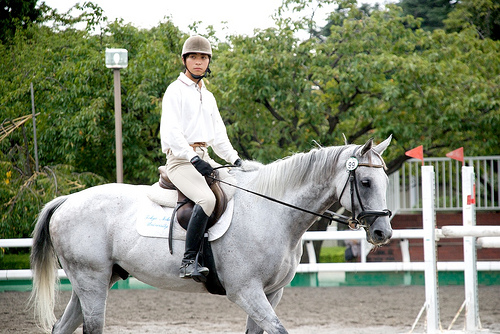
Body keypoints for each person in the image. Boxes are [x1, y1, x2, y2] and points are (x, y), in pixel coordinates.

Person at [160, 35, 242, 280]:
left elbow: (219, 136)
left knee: (240, 187)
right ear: (185, 60)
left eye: (203, 57)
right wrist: (192, 158)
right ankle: (188, 261)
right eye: (193, 57)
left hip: (204, 155)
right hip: (180, 160)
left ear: (209, 62)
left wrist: (236, 160)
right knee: (206, 200)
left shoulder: (208, 95)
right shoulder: (175, 91)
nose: (199, 62)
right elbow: (171, 132)